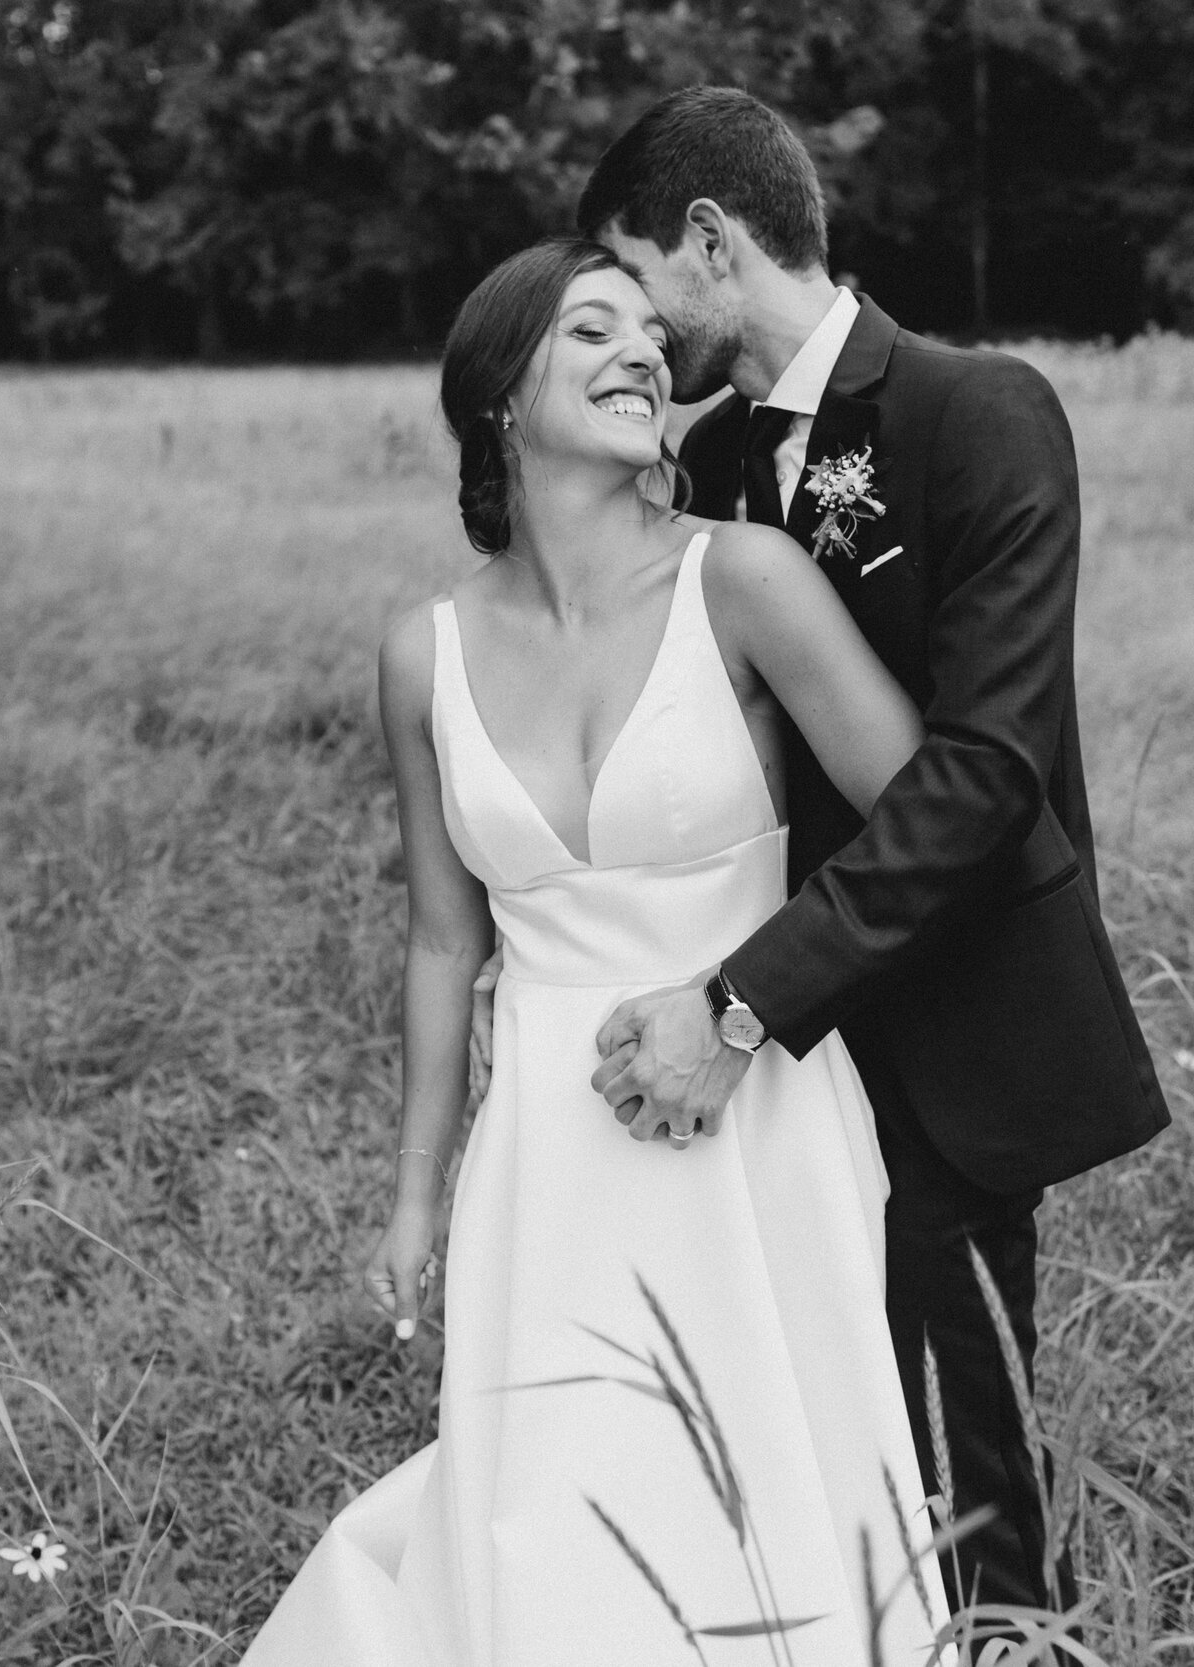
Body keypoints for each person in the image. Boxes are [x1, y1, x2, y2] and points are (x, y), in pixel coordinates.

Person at [242, 238, 943, 1664]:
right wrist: (415, 1199)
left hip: (758, 1110)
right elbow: (446, 942)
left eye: (646, 333)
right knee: (558, 1507)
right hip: (548, 1146)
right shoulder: (419, 654)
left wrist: (750, 1007)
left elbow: (926, 817)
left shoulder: (741, 579)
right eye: (589, 329)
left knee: (777, 1487)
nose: (641, 353)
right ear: (501, 395)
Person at [571, 87, 1173, 1616]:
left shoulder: (981, 412)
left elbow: (985, 775)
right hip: (763, 1050)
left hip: (942, 1018)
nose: (633, 331)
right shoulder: (695, 466)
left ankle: (1014, 1647)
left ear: (709, 241)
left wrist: (741, 1000)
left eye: (630, 278)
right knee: (788, 1412)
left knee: (967, 1452)